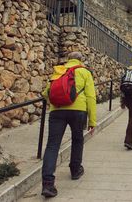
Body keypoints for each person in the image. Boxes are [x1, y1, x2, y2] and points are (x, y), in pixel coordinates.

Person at [41, 52, 96, 198]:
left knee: (52, 146)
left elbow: (46, 93)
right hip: (78, 111)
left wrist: (58, 101)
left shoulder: (59, 70)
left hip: (57, 111)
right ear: (80, 60)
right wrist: (92, 120)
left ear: (69, 59)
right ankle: (75, 170)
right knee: (77, 140)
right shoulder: (84, 72)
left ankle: (48, 183)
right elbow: (91, 97)